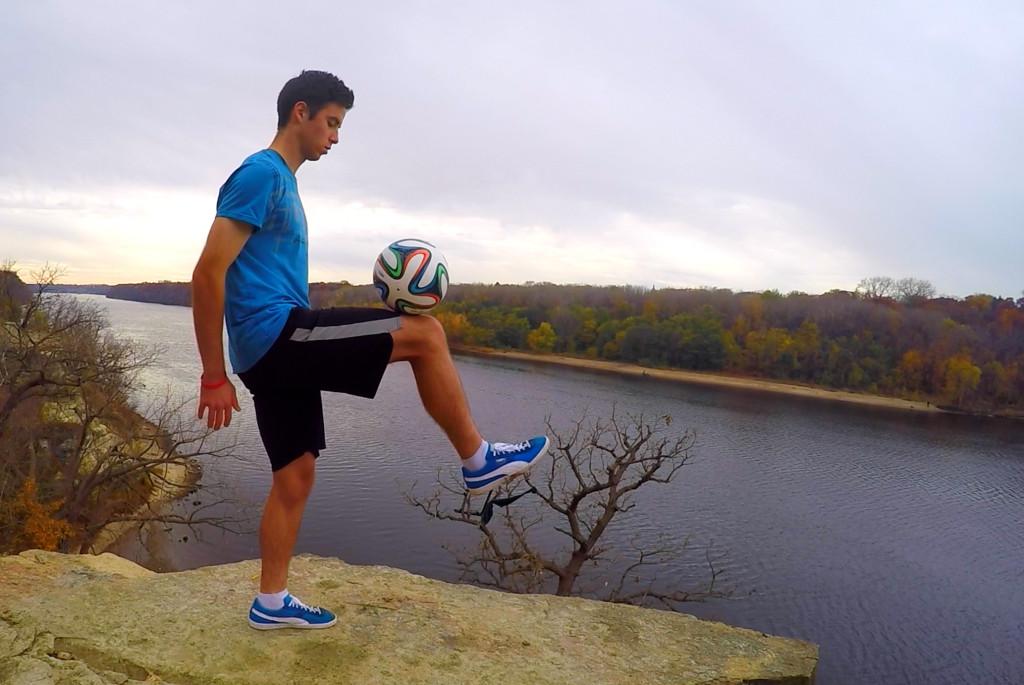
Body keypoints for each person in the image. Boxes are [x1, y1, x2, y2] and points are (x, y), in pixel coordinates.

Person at [191, 70, 548, 631]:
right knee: (425, 335)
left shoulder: (283, 181)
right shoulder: (261, 174)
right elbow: (208, 273)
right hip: (277, 335)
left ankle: (271, 601)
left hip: (270, 349)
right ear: (300, 112)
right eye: (331, 123)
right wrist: (213, 374)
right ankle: (478, 460)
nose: (335, 137)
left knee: (295, 474)